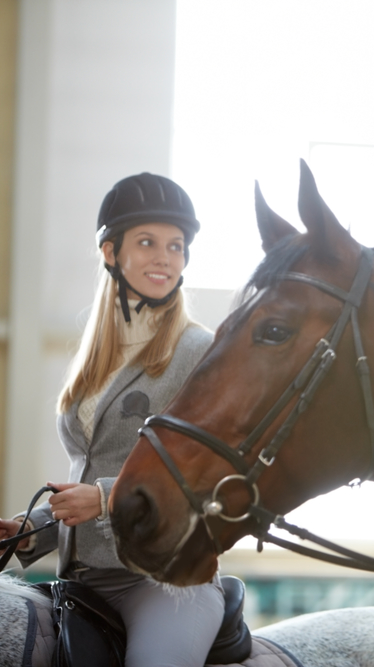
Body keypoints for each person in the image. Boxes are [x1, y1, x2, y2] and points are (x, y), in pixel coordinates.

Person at [0, 173, 223, 666]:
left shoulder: (199, 351)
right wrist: (30, 527)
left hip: (164, 582)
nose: (165, 257)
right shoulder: (94, 356)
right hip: (82, 577)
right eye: (147, 242)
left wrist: (103, 498)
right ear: (110, 252)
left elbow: (206, 473)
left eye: (176, 246)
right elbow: (90, 472)